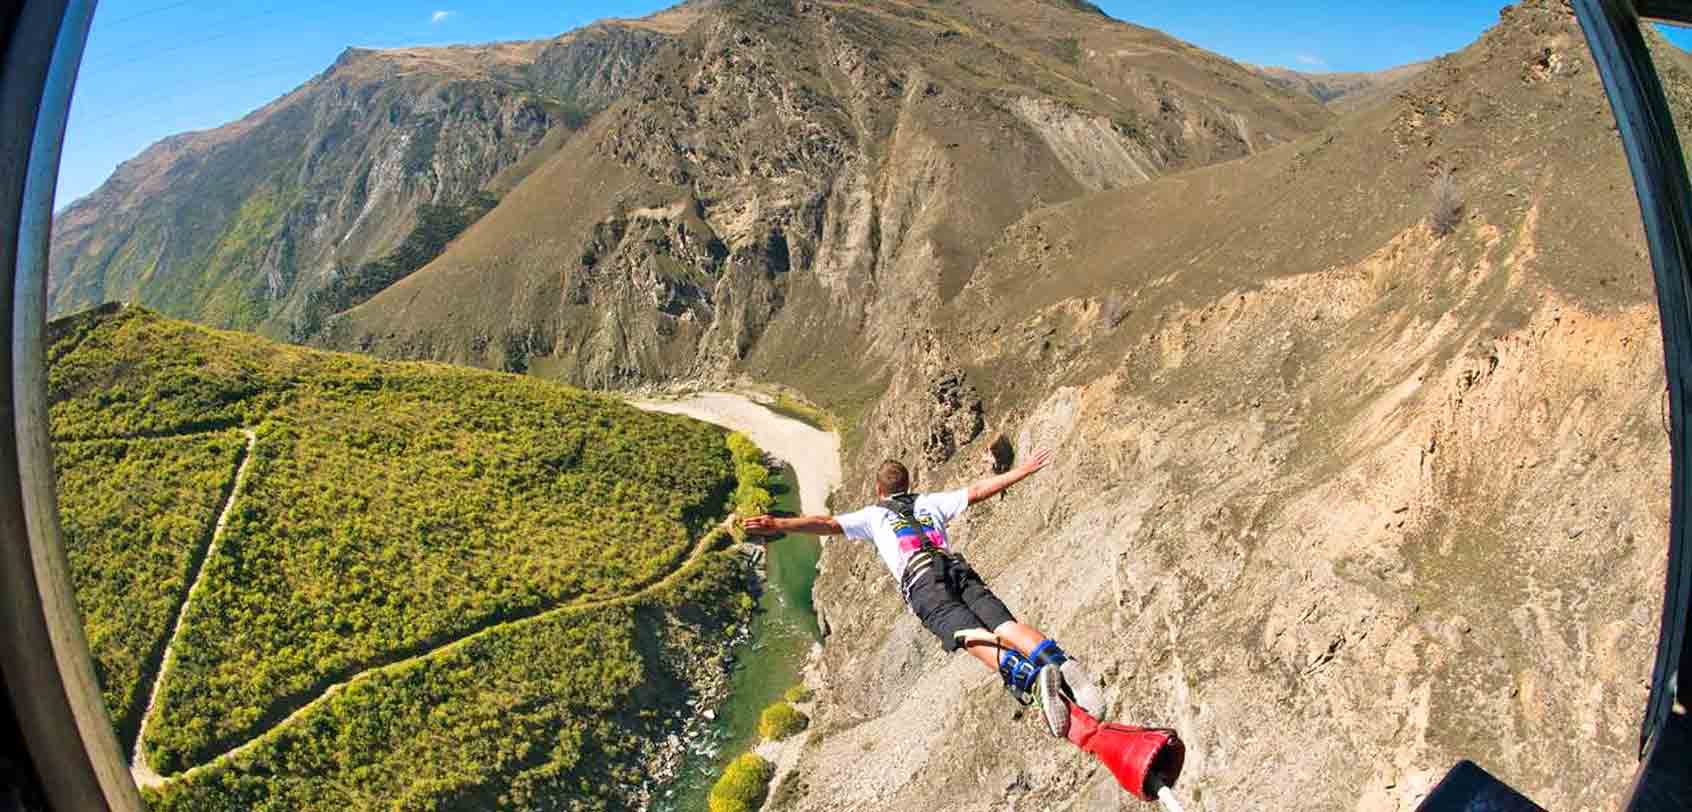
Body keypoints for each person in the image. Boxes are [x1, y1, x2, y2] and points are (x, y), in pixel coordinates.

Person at [742, 447, 1105, 737]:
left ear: (879, 490)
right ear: (908, 483)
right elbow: (978, 490)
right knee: (1004, 624)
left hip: (923, 582)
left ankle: (1029, 678)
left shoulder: (873, 515)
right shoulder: (930, 502)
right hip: (957, 567)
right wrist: (1023, 470)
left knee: (965, 633)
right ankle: (1063, 665)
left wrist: (777, 523)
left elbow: (826, 523)